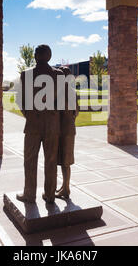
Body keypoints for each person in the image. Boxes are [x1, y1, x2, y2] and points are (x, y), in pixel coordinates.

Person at [16, 45, 64, 204]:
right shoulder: (59, 75)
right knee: (51, 160)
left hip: (33, 124)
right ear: (49, 57)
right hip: (52, 124)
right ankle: (50, 194)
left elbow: (20, 100)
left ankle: (29, 194)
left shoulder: (26, 74)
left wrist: (29, 115)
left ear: (36, 56)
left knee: (30, 160)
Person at [56, 67, 79, 199]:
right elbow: (76, 111)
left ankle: (66, 188)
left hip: (63, 130)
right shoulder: (71, 91)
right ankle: (65, 186)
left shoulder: (60, 92)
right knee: (65, 160)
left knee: (64, 161)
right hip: (70, 128)